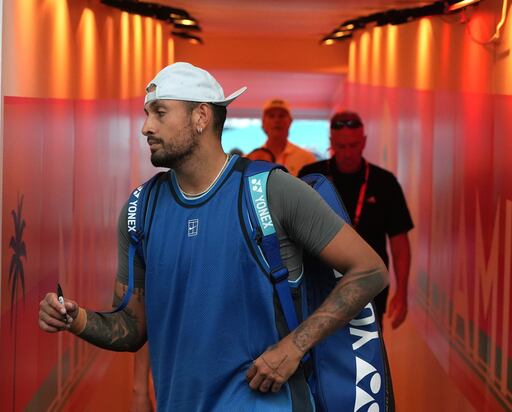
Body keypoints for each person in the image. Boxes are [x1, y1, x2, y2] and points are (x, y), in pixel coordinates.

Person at [38, 63, 389, 411]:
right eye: (147, 114)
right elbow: (132, 327)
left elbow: (370, 269)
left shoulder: (271, 191)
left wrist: (295, 347)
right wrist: (76, 319)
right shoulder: (140, 210)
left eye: (160, 113)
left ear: (201, 117)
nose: (146, 127)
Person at [299, 111, 413, 330]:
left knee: (366, 359)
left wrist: (402, 293)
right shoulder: (312, 176)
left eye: (353, 145)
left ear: (364, 142)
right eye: (341, 147)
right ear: (331, 143)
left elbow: (399, 243)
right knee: (320, 355)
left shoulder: (384, 182)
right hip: (320, 284)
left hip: (369, 285)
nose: (348, 153)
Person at [259, 98, 316, 176]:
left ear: (290, 121)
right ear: (263, 122)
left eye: (281, 116)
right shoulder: (251, 160)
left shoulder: (307, 159)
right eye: (271, 116)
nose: (277, 120)